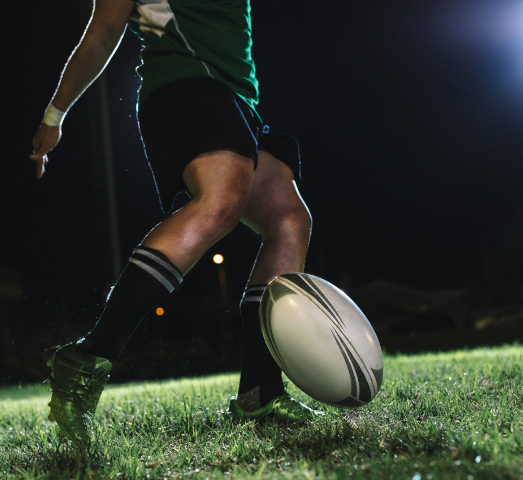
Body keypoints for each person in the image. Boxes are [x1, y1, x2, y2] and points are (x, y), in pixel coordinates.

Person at [30, 0, 321, 445]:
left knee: (288, 221)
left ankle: (259, 391)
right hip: (187, 84)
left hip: (237, 98)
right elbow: (104, 30)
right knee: (221, 202)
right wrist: (55, 113)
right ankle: (88, 356)